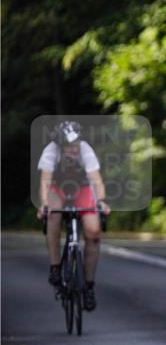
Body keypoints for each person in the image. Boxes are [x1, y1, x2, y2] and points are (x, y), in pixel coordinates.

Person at [36, 120, 111, 311]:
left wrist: (101, 201)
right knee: (52, 214)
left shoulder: (85, 150)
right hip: (57, 187)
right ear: (60, 146)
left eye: (76, 144)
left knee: (93, 233)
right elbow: (45, 182)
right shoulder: (50, 151)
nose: (74, 149)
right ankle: (55, 267)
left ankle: (88, 286)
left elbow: (96, 181)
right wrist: (44, 204)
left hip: (82, 187)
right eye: (69, 146)